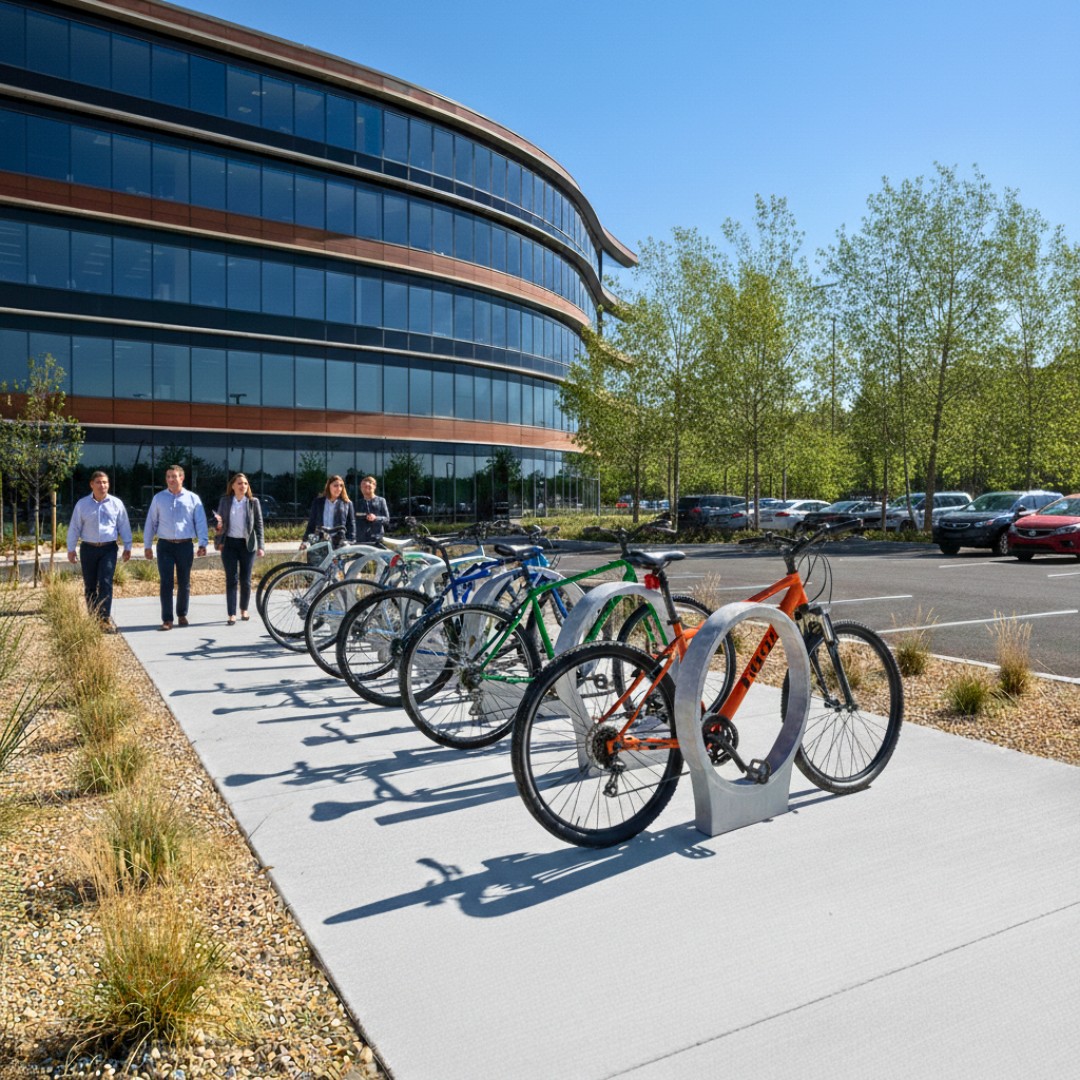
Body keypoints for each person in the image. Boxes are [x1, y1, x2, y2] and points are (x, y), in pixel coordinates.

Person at [143, 464, 208, 631]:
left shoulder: (192, 499)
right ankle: (167, 619)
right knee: (166, 582)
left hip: (185, 545)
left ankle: (182, 614)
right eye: (168, 477)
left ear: (182, 478)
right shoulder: (158, 498)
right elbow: (151, 522)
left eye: (174, 476)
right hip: (165, 546)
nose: (171, 480)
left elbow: (200, 522)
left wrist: (203, 543)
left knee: (184, 581)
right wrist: (147, 545)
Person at [66, 470, 132, 632]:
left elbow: (124, 526)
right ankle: (93, 617)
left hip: (108, 549)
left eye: (105, 482)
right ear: (92, 485)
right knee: (90, 585)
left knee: (106, 583)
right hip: (88, 549)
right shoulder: (82, 504)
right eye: (99, 482)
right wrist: (71, 549)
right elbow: (74, 527)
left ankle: (104, 619)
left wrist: (128, 546)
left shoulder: (116, 504)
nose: (102, 485)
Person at [212, 472, 265, 625]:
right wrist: (218, 530)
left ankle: (244, 609)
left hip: (247, 545)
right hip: (229, 544)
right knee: (231, 579)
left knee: (245, 580)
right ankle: (231, 613)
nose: (243, 486)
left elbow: (259, 525)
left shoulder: (253, 502)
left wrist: (261, 546)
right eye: (240, 483)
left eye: (245, 483)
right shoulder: (225, 501)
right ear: (233, 486)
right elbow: (219, 523)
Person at [301, 475, 356, 550]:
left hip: (339, 543)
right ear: (328, 486)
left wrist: (350, 541)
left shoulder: (347, 504)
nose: (339, 488)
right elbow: (312, 523)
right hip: (320, 541)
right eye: (335, 485)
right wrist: (305, 541)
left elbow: (351, 524)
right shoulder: (318, 502)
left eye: (341, 486)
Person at [354, 474, 390, 543]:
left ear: (374, 486)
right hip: (361, 539)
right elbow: (353, 520)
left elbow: (387, 519)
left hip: (377, 538)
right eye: (363, 487)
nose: (365, 489)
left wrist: (375, 518)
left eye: (368, 487)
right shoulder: (357, 503)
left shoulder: (381, 501)